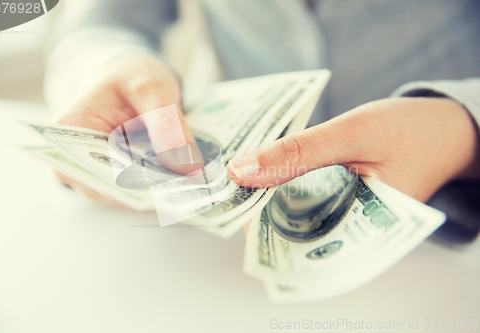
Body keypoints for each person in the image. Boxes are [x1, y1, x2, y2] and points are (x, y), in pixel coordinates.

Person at [45, 0, 480, 244]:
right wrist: (109, 66)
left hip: (448, 238)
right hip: (218, 245)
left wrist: (463, 130)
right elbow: (101, 21)